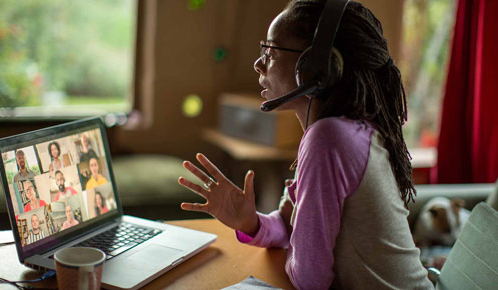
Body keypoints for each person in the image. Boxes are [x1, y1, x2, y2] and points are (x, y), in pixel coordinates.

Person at [178, 1, 433, 289]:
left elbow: (309, 280)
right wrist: (251, 222)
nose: (259, 63)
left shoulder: (329, 139)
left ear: (316, 68)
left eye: (271, 52)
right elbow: (290, 226)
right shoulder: (349, 130)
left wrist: (294, 250)